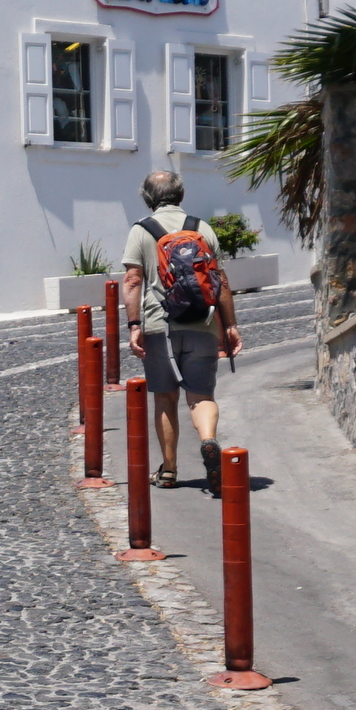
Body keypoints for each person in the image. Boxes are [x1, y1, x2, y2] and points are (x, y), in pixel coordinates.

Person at [118, 168, 241, 488]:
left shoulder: (142, 231)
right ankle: (208, 439)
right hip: (203, 323)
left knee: (165, 398)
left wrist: (133, 326)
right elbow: (222, 282)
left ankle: (169, 470)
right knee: (201, 396)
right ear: (181, 195)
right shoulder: (202, 228)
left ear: (147, 199)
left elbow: (132, 281)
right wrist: (229, 327)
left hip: (161, 327)